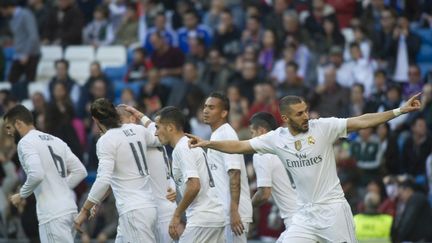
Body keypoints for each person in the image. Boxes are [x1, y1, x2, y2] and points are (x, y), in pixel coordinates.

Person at [188, 94, 421, 242]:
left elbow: (361, 121)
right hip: (305, 215)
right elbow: (240, 145)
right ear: (286, 118)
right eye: (299, 114)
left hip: (333, 212)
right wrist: (209, 143)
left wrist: (398, 111)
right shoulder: (275, 138)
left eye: (306, 110)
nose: (306, 116)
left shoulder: (323, 128)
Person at [73, 98, 161, 242]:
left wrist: (84, 210)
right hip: (144, 207)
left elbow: (103, 179)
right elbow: (160, 138)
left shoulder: (106, 140)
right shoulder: (138, 129)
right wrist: (140, 115)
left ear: (95, 120)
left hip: (134, 212)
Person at [4, 105, 87, 243]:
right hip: (69, 209)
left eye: (9, 127)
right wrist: (59, 186)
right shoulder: (55, 140)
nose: (9, 133)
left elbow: (36, 174)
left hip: (52, 214)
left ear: (18, 123)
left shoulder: (25, 143)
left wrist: (21, 194)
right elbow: (80, 171)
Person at [154, 106, 225, 242]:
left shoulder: (182, 149)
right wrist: (178, 192)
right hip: (214, 216)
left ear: (170, 127)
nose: (155, 133)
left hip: (203, 218)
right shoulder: (188, 145)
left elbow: (194, 186)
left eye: (157, 127)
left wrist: (176, 215)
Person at [116, 105, 177, 243]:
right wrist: (139, 114)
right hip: (151, 209)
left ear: (132, 119)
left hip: (159, 212)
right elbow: (151, 124)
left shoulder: (140, 138)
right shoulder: (152, 133)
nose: (117, 126)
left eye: (120, 121)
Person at [202, 92, 253, 243]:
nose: (205, 110)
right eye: (205, 106)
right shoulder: (216, 135)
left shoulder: (226, 134)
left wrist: (234, 211)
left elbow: (235, 174)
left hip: (234, 215)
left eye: (211, 107)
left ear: (224, 112)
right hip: (223, 214)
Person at [249, 112, 298, 241]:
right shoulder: (289, 146)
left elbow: (264, 194)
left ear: (261, 131)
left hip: (297, 221)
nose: (251, 137)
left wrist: (247, 208)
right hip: (312, 214)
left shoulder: (261, 153)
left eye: (252, 133)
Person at [0, 0, 40, 84]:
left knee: (29, 82)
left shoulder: (25, 15)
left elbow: (33, 36)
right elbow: (19, 35)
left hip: (30, 54)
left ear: (7, 8)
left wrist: (27, 53)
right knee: (11, 81)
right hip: (18, 53)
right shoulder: (11, 18)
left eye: (2, 10)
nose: (2, 13)